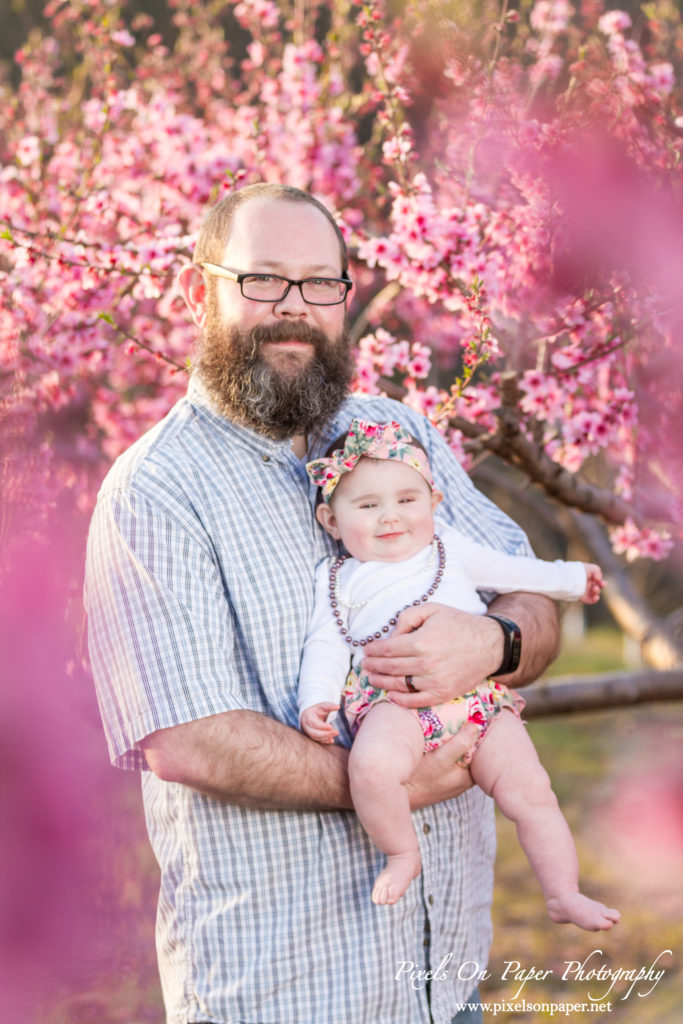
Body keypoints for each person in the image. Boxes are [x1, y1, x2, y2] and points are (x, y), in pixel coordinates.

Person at [85, 182, 562, 1024]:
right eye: (263, 281)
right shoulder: (155, 491)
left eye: (319, 284)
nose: (294, 310)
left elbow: (527, 588)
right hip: (284, 992)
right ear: (200, 291)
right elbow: (187, 736)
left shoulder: (392, 432)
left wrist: (493, 643)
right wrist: (392, 780)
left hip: (444, 984)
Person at [299, 418, 620, 931]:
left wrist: (571, 578)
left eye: (407, 500)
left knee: (531, 791)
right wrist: (314, 698)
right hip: (394, 706)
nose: (390, 517)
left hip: (478, 701)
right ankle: (402, 852)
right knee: (372, 769)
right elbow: (326, 642)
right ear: (331, 520)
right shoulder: (337, 579)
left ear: (434, 501)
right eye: (367, 505)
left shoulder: (450, 550)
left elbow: (518, 572)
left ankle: (563, 891)